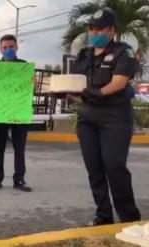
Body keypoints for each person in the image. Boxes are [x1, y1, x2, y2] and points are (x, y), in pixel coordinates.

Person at [74, 8, 141, 225]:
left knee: (114, 166)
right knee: (94, 170)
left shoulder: (124, 52)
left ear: (112, 30)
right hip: (87, 119)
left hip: (115, 118)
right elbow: (75, 83)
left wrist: (96, 93)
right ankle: (103, 216)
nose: (95, 32)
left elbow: (119, 82)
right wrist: (66, 92)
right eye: (92, 28)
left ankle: (129, 218)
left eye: (100, 28)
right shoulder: (84, 55)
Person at [0, 34, 32, 192]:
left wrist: (33, 84)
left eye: (11, 47)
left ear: (17, 47)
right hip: (0, 113)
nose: (8, 50)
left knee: (20, 147)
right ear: (0, 49)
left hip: (19, 112)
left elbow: (29, 92)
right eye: (5, 47)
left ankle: (19, 180)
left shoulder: (24, 66)